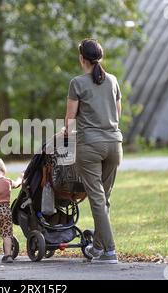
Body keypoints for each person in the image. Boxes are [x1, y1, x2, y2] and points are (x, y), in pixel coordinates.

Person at [64, 38, 123, 264]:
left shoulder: (77, 83)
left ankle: (110, 251)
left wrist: (66, 137)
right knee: (104, 198)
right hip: (114, 145)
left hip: (90, 146)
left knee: (98, 199)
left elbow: (70, 119)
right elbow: (116, 115)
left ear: (82, 59)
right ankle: (97, 247)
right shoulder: (113, 81)